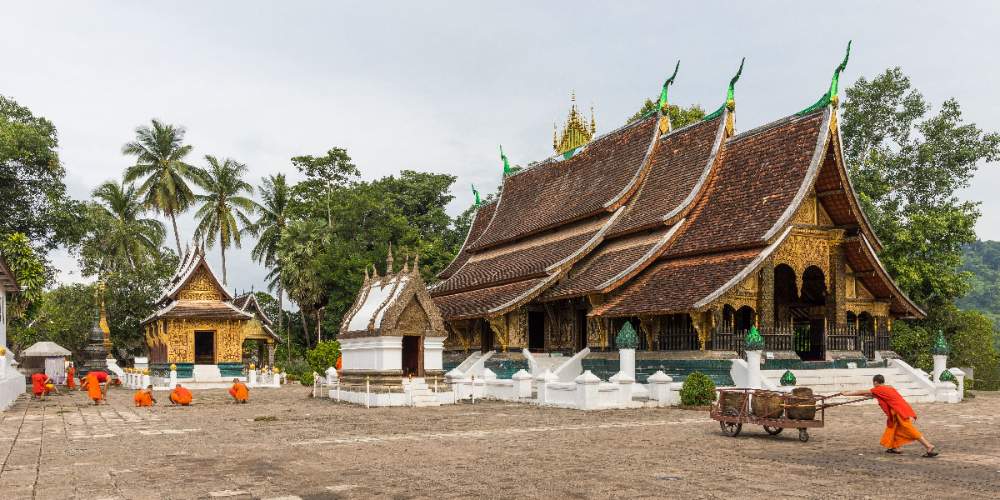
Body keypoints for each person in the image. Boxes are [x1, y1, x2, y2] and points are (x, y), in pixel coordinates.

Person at [840, 374, 938, 457]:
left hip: (899, 411)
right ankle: (895, 447)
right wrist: (870, 395)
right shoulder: (889, 387)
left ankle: (928, 446)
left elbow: (862, 392)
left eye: (873, 383)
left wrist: (846, 394)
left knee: (909, 429)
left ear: (875, 382)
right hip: (900, 410)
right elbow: (871, 394)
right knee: (892, 428)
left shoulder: (879, 389)